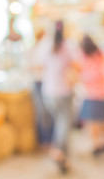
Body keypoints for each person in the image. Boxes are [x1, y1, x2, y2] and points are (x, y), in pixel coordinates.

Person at [38, 21, 77, 174]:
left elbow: (40, 66)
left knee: (60, 123)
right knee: (64, 125)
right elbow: (75, 66)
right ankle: (59, 151)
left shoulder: (45, 46)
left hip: (48, 92)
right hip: (63, 92)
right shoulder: (67, 47)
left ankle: (63, 157)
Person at [78, 35, 104, 157]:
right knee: (103, 121)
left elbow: (83, 74)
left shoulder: (86, 57)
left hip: (92, 94)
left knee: (94, 123)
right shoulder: (102, 55)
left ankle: (97, 145)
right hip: (103, 93)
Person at [30, 29, 53, 150]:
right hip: (39, 82)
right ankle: (44, 140)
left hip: (47, 82)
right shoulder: (35, 50)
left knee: (48, 112)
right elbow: (34, 67)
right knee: (42, 112)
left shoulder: (49, 49)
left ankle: (50, 139)